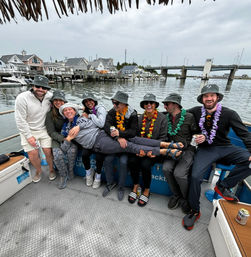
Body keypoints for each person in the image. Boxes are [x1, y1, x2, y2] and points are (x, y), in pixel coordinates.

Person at [182, 84, 251, 230]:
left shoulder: (230, 114)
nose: (209, 98)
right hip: (205, 150)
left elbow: (244, 134)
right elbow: (178, 116)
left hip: (225, 148)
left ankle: (223, 186)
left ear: (217, 97)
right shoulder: (195, 111)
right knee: (195, 177)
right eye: (206, 96)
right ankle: (195, 210)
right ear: (202, 99)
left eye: (212, 95)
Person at [58, 103, 183, 166]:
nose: (69, 111)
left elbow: (97, 125)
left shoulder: (82, 119)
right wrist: (68, 138)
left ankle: (167, 144)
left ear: (75, 111)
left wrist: (79, 126)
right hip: (98, 143)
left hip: (102, 134)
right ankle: (164, 151)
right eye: (66, 110)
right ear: (64, 114)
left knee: (134, 138)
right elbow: (63, 149)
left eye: (71, 109)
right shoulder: (66, 129)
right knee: (128, 145)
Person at [127, 93, 167, 207]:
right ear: (143, 105)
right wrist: (138, 150)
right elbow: (137, 137)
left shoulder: (162, 118)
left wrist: (153, 152)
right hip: (141, 149)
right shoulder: (140, 118)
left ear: (155, 105)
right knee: (132, 161)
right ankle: (135, 185)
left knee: (145, 165)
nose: (149, 105)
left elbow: (163, 138)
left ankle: (146, 190)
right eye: (146, 103)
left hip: (154, 150)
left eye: (151, 103)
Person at [15, 75, 56, 183]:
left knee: (48, 151)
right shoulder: (22, 98)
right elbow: (20, 120)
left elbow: (62, 103)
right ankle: (38, 171)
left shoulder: (50, 96)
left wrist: (81, 108)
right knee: (32, 154)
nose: (41, 89)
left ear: (47, 89)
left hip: (44, 129)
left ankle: (51, 169)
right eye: (38, 86)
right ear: (33, 86)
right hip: (27, 129)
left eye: (44, 88)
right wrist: (29, 136)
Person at [162, 93, 197, 213]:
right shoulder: (165, 117)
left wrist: (189, 147)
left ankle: (185, 198)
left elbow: (195, 134)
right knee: (166, 168)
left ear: (175, 105)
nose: (164, 106)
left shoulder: (189, 117)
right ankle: (176, 195)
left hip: (187, 150)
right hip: (171, 149)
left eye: (167, 104)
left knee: (179, 174)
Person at [102, 91, 138, 201]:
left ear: (124, 104)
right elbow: (107, 126)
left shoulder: (132, 114)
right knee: (107, 160)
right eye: (113, 102)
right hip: (115, 142)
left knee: (123, 162)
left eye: (116, 103)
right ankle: (110, 183)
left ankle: (121, 187)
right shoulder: (113, 112)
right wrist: (118, 137)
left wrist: (121, 135)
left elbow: (133, 132)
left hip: (126, 144)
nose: (114, 105)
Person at [45, 90, 78, 189]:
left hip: (71, 136)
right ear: (52, 102)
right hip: (57, 138)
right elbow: (51, 132)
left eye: (61, 100)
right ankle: (63, 175)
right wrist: (62, 138)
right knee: (57, 154)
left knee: (72, 151)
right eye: (56, 100)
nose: (58, 102)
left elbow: (79, 116)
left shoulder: (69, 110)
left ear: (64, 101)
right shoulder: (50, 115)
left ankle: (70, 170)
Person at [81, 92, 106, 189]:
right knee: (84, 154)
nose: (88, 103)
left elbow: (101, 124)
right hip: (90, 137)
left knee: (99, 156)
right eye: (86, 101)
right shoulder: (86, 111)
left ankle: (98, 176)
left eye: (90, 100)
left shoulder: (100, 109)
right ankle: (88, 173)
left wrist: (91, 116)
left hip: (100, 138)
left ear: (94, 100)